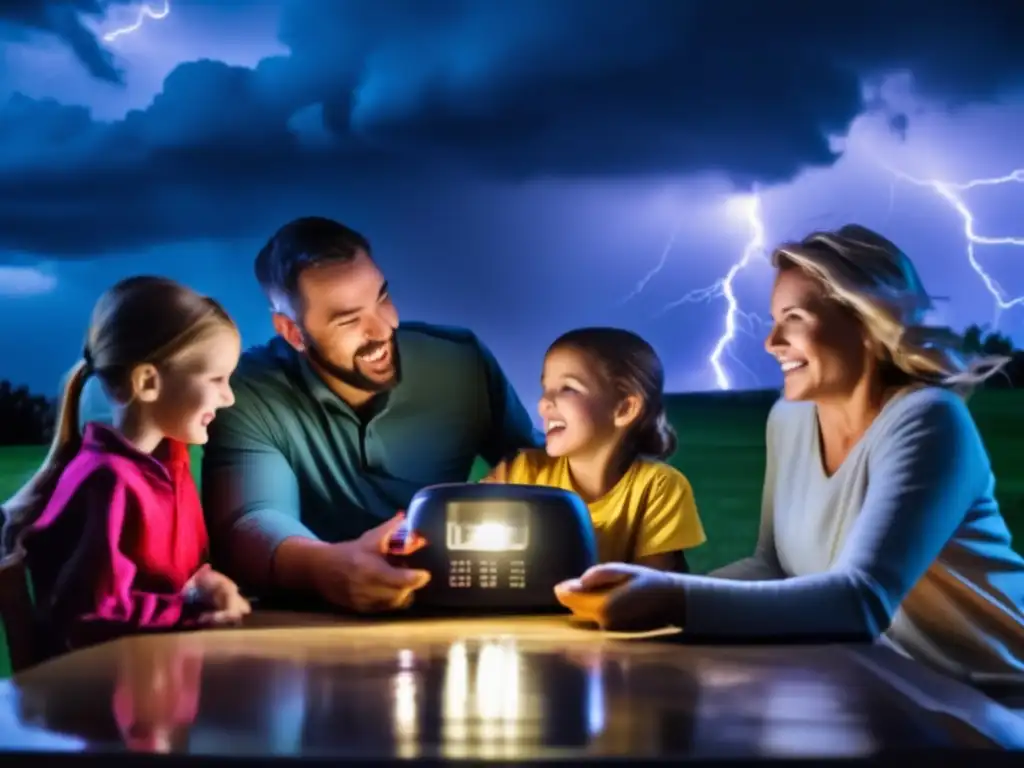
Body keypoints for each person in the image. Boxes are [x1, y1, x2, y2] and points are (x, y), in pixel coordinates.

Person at [555, 224, 1024, 684]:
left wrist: (672, 599)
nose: (771, 343)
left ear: (864, 324)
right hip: (882, 686)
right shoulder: (790, 418)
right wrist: (639, 587)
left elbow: (862, 599)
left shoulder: (927, 420)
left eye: (794, 319)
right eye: (773, 320)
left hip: (986, 699)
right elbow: (771, 565)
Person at [201, 216, 542, 613]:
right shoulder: (250, 391)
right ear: (293, 332)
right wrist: (324, 567)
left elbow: (539, 468)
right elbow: (252, 518)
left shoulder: (460, 360)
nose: (384, 329)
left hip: (455, 607)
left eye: (382, 298)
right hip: (310, 626)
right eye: (349, 319)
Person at [0, 276, 252, 659]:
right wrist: (189, 608)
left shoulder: (173, 467)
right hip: (98, 700)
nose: (229, 397)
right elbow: (89, 615)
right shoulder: (105, 481)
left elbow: (175, 580)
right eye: (216, 379)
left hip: (157, 682)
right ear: (148, 382)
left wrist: (205, 585)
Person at [484, 327, 705, 570]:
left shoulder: (658, 487)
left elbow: (656, 589)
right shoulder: (519, 473)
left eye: (568, 388)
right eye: (545, 388)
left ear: (624, 409)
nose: (543, 404)